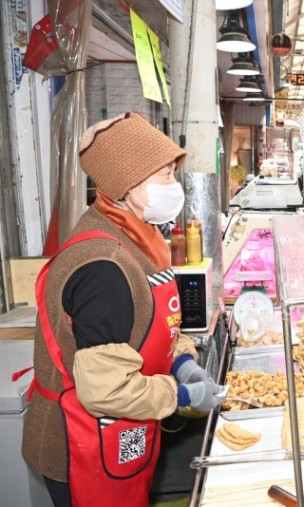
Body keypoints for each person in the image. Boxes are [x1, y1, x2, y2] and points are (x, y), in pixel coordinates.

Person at [21, 112, 225, 507]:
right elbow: (105, 388)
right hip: (79, 444)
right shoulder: (104, 265)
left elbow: (149, 325)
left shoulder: (134, 237)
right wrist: (182, 393)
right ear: (130, 187)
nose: (175, 185)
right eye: (165, 175)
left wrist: (182, 360)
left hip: (115, 433)